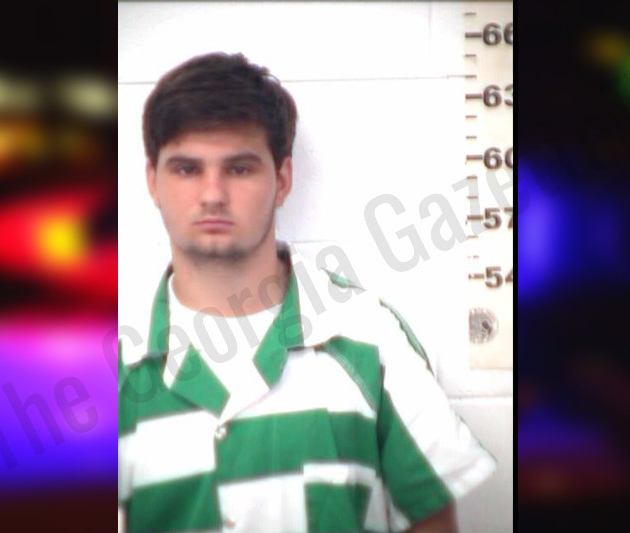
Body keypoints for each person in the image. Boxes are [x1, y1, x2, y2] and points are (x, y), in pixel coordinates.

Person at [118, 52, 496, 533]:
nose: (212, 194)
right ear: (152, 181)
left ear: (282, 180)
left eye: (239, 169)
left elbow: (433, 522)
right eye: (187, 169)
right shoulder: (108, 362)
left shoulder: (367, 334)